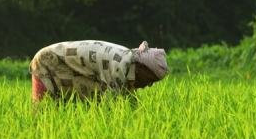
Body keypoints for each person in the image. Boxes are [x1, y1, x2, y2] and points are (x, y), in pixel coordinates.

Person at [30, 40, 168, 102]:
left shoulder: (129, 62)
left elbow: (128, 99)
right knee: (43, 109)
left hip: (61, 60)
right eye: (150, 80)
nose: (149, 85)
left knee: (89, 97)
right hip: (47, 60)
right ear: (142, 68)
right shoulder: (120, 65)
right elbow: (111, 106)